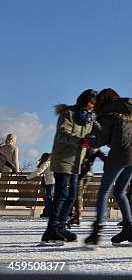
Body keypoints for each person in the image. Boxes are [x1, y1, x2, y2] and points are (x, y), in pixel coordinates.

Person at [85, 88, 132, 247]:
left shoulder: (107, 115)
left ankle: (97, 230)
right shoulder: (131, 111)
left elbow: (101, 141)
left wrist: (86, 141)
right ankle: (128, 228)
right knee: (119, 191)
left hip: (119, 154)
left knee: (104, 190)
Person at [40, 89, 96, 245]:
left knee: (72, 195)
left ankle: (61, 227)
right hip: (63, 159)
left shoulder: (90, 119)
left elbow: (94, 135)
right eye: (91, 103)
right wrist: (81, 140)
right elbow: (63, 133)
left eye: (94, 105)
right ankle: (51, 230)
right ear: (84, 101)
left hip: (77, 162)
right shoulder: (68, 114)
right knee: (61, 194)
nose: (92, 107)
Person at [69, 147, 106, 226]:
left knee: (77, 194)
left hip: (81, 172)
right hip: (89, 173)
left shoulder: (82, 145)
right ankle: (77, 215)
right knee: (79, 194)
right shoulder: (96, 147)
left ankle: (78, 216)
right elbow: (104, 157)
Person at [26, 153, 54, 218]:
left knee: (48, 198)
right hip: (57, 182)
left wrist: (28, 177)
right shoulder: (55, 163)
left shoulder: (47, 163)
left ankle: (48, 212)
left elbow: (38, 172)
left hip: (51, 182)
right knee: (51, 198)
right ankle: (50, 211)